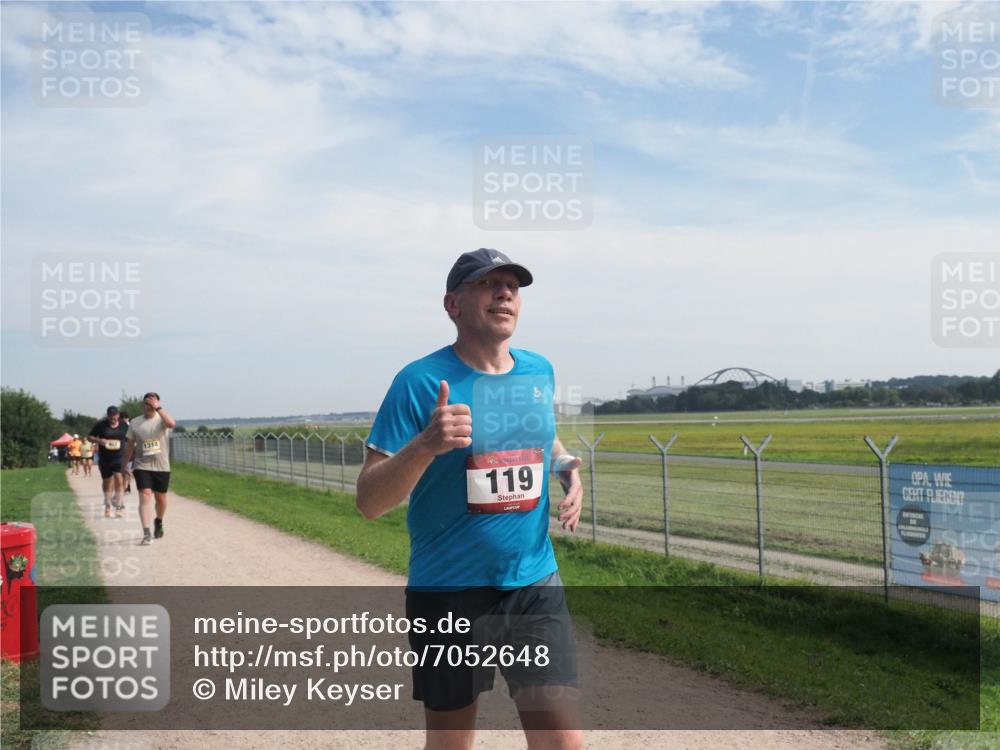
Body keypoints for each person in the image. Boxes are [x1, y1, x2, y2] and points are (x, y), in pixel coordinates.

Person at [357, 249, 584, 750]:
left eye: (513, 286)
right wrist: (425, 445)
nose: (504, 293)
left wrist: (565, 467)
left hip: (534, 583)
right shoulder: (419, 382)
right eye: (487, 284)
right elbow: (369, 500)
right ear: (452, 304)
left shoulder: (539, 371)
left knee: (562, 742)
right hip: (449, 593)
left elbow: (541, 438)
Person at [123, 393, 176, 545]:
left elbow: (171, 424)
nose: (149, 405)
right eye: (147, 402)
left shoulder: (162, 419)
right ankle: (146, 533)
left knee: (161, 498)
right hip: (142, 464)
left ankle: (158, 520)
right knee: (145, 495)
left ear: (158, 403)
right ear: (143, 405)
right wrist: (124, 466)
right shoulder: (135, 422)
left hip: (161, 465)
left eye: (152, 402)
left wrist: (158, 408)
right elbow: (129, 446)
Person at [88, 406, 130, 518]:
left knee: (119, 479)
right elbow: (89, 437)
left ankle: (119, 506)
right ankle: (108, 505)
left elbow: (129, 439)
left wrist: (130, 454)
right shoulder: (101, 425)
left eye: (115, 414)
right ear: (107, 415)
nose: (113, 417)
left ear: (118, 415)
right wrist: (99, 440)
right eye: (111, 414)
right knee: (107, 483)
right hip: (105, 458)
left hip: (119, 457)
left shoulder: (123, 425)